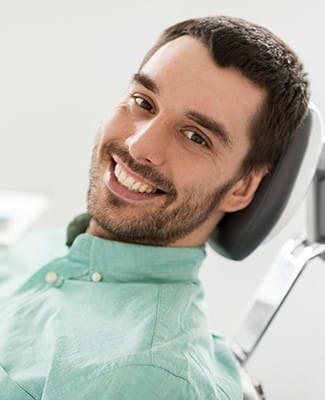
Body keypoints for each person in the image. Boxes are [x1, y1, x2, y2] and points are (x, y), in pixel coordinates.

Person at [0, 15, 309, 400]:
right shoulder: (45, 248)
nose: (138, 146)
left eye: (196, 137)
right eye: (144, 102)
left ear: (243, 187)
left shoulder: (149, 378)